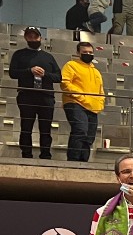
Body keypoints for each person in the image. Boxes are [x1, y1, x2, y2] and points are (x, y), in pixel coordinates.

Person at [9, 26, 60, 160]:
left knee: (46, 129)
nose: (33, 39)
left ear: (40, 38)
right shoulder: (19, 54)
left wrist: (46, 74)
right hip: (27, 96)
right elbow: (12, 73)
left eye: (35, 36)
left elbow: (58, 77)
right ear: (26, 38)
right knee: (26, 127)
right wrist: (29, 71)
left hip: (46, 97)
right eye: (30, 36)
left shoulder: (48, 56)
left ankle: (46, 155)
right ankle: (26, 155)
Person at [62, 40, 103, 162]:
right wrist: (81, 97)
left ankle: (83, 162)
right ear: (78, 53)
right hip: (75, 103)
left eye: (90, 52)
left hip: (93, 107)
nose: (88, 54)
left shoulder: (96, 71)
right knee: (80, 130)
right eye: (85, 52)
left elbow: (101, 90)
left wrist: (100, 103)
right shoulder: (71, 65)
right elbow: (65, 83)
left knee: (89, 137)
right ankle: (73, 161)